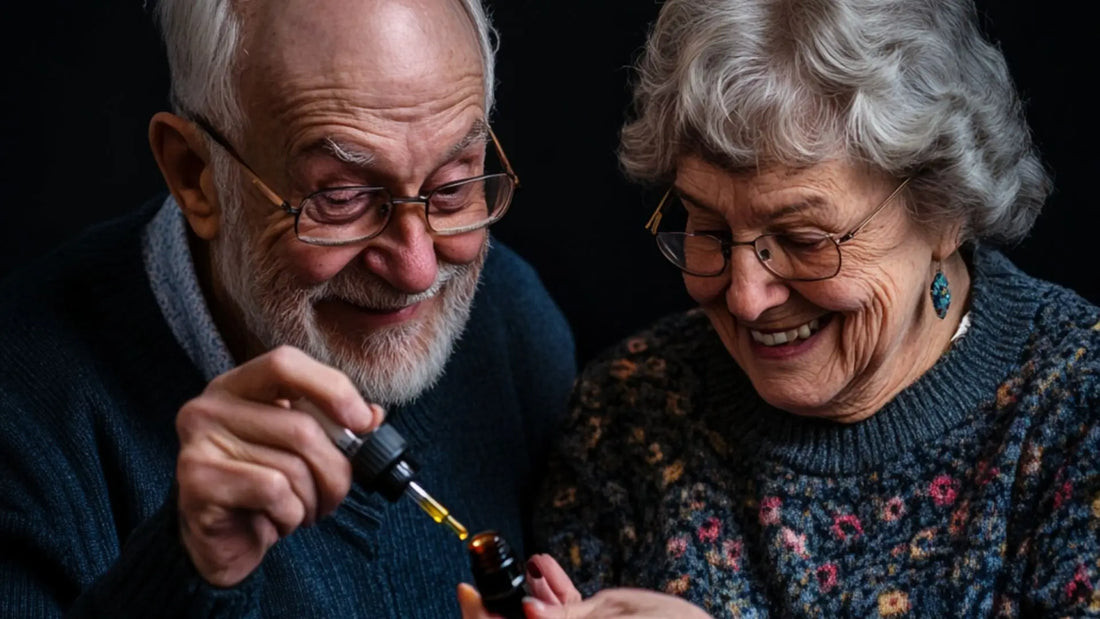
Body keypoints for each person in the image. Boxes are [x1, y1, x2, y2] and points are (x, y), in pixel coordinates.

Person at [464, 0, 1100, 616]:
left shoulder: (1077, 408)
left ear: (945, 212)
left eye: (802, 241)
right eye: (709, 231)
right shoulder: (630, 411)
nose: (745, 295)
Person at [0, 0, 576, 616]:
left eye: (454, 187)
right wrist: (184, 572)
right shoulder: (24, 418)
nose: (417, 272)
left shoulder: (513, 323)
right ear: (194, 174)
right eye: (342, 198)